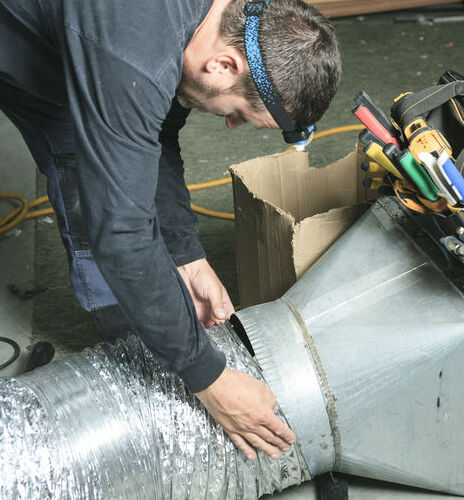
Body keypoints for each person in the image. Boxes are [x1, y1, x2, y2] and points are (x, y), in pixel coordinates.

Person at [0, 0, 341, 460]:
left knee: (93, 168)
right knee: (111, 217)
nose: (228, 122)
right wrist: (210, 378)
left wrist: (186, 254)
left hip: (63, 48)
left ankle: (134, 331)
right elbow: (121, 231)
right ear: (224, 63)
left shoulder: (214, 22)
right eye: (239, 112)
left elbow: (156, 130)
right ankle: (141, 342)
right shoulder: (133, 50)